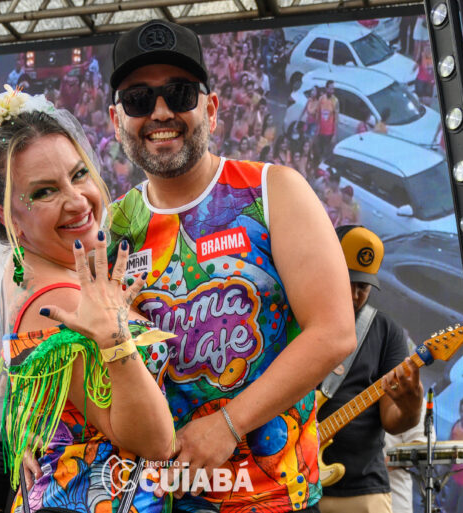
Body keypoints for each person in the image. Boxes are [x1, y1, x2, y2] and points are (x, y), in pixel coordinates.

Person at [105, 20, 356, 511]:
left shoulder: (273, 191)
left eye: (180, 93)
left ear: (212, 109)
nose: (161, 112)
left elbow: (333, 332)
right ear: (117, 120)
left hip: (272, 494)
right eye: (138, 99)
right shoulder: (113, 227)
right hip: (157, 499)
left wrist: (228, 424)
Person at [0, 85, 176, 513]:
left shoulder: (24, 269)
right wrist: (117, 340)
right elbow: (156, 442)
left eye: (79, 174)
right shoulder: (62, 301)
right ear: (7, 217)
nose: (77, 201)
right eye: (44, 192)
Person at [316, 225, 423, 513]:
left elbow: (392, 420)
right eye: (347, 281)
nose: (354, 295)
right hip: (293, 488)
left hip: (363, 490)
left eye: (363, 287)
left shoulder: (386, 332)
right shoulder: (296, 319)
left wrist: (411, 408)